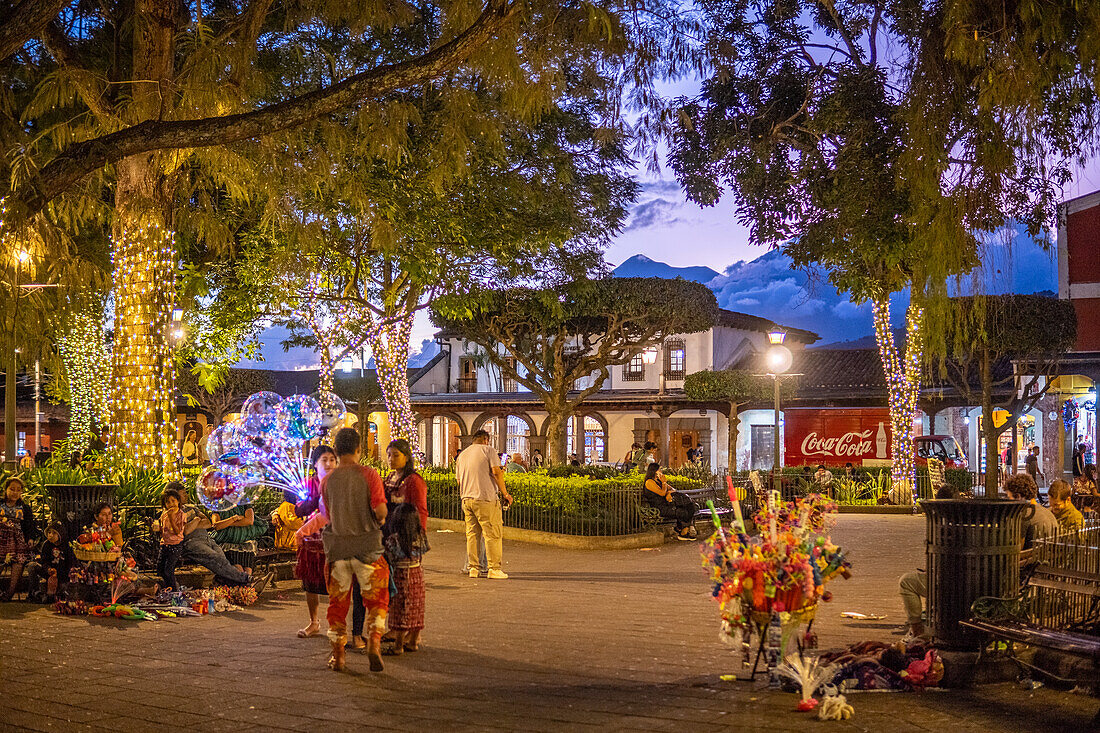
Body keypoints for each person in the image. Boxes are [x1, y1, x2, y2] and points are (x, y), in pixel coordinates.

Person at [321, 427, 390, 673]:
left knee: (337, 605)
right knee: (378, 599)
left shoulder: (327, 480)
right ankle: (373, 641)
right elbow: (381, 511)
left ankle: (338, 656)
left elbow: (329, 515)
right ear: (360, 449)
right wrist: (378, 521)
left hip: (338, 550)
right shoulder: (369, 474)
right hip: (367, 549)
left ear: (337, 451)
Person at [379, 439, 429, 655]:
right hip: (389, 532)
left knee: (406, 592)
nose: (391, 459)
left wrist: (414, 536)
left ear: (407, 456)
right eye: (389, 454)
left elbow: (420, 511)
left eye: (396, 455)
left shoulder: (413, 481)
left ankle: (406, 633)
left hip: (405, 537)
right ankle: (396, 629)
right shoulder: (390, 477)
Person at [178, 487, 270, 590]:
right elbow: (212, 525)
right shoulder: (175, 513)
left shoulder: (192, 508)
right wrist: (197, 519)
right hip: (200, 542)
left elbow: (207, 523)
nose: (186, 495)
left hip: (219, 540)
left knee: (228, 562)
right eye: (183, 493)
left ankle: (242, 588)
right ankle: (248, 582)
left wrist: (227, 523)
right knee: (222, 560)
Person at [897, 485, 957, 643]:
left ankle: (917, 628)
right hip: (973, 580)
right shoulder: (965, 520)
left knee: (906, 582)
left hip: (947, 581)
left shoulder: (940, 525)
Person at [456, 429, 513, 580]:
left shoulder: (462, 455)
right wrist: (505, 493)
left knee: (472, 535)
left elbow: (458, 480)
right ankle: (494, 568)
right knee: (492, 534)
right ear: (486, 440)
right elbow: (496, 472)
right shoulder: (489, 450)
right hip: (485, 498)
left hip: (466, 498)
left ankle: (473, 568)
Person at [293, 445, 337, 639]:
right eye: (324, 460)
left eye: (332, 459)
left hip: (335, 539)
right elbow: (299, 509)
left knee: (337, 583)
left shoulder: (340, 482)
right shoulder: (309, 484)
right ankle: (314, 621)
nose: (328, 464)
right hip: (312, 538)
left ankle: (336, 623)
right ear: (315, 464)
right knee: (310, 582)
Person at [1, 477, 38, 601]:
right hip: (1, 538)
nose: (15, 492)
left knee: (18, 561)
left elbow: (30, 525)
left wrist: (30, 538)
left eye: (18, 490)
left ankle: (10, 592)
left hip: (17, 540)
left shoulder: (24, 508)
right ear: (5, 490)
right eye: (12, 489)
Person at [642, 463, 697, 540]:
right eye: (659, 470)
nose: (661, 471)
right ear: (654, 471)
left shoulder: (659, 481)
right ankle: (683, 531)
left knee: (690, 507)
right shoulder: (649, 482)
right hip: (659, 508)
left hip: (667, 505)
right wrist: (664, 483)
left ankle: (682, 529)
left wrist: (669, 493)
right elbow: (662, 493)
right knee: (682, 512)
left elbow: (673, 490)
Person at [210, 497, 264, 575]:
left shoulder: (244, 502)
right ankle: (247, 584)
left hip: (245, 541)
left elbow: (249, 521)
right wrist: (234, 518)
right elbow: (216, 525)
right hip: (227, 541)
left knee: (247, 568)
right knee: (238, 568)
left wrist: (227, 523)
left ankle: (246, 584)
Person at [1003, 473, 1058, 549]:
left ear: (1018, 496)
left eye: (1009, 497)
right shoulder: (1046, 512)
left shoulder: (1025, 515)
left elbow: (1017, 549)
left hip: (1032, 559)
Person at [29, 522, 72, 603]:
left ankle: (55, 595)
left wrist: (58, 573)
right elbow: (44, 561)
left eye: (54, 533)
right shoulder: (46, 545)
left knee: (62, 589)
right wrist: (48, 569)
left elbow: (69, 563)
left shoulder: (66, 546)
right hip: (49, 571)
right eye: (49, 532)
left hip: (62, 575)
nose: (51, 535)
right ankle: (35, 592)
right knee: (32, 566)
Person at [155, 486, 187, 590]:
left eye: (173, 501)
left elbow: (177, 531)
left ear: (178, 501)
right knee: (160, 569)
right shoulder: (164, 514)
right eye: (168, 502)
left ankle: (174, 591)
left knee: (168, 570)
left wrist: (171, 518)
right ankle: (169, 587)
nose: (171, 504)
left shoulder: (181, 515)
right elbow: (161, 528)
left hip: (175, 545)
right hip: (164, 544)